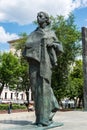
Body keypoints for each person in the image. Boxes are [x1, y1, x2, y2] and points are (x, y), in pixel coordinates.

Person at [23, 11, 63, 126]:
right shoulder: (32, 34)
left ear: (46, 19)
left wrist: (53, 44)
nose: (38, 18)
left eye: (40, 16)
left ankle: (44, 120)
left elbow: (60, 47)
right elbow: (26, 47)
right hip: (33, 64)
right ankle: (41, 117)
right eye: (37, 16)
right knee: (36, 91)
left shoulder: (51, 33)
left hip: (46, 64)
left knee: (44, 89)